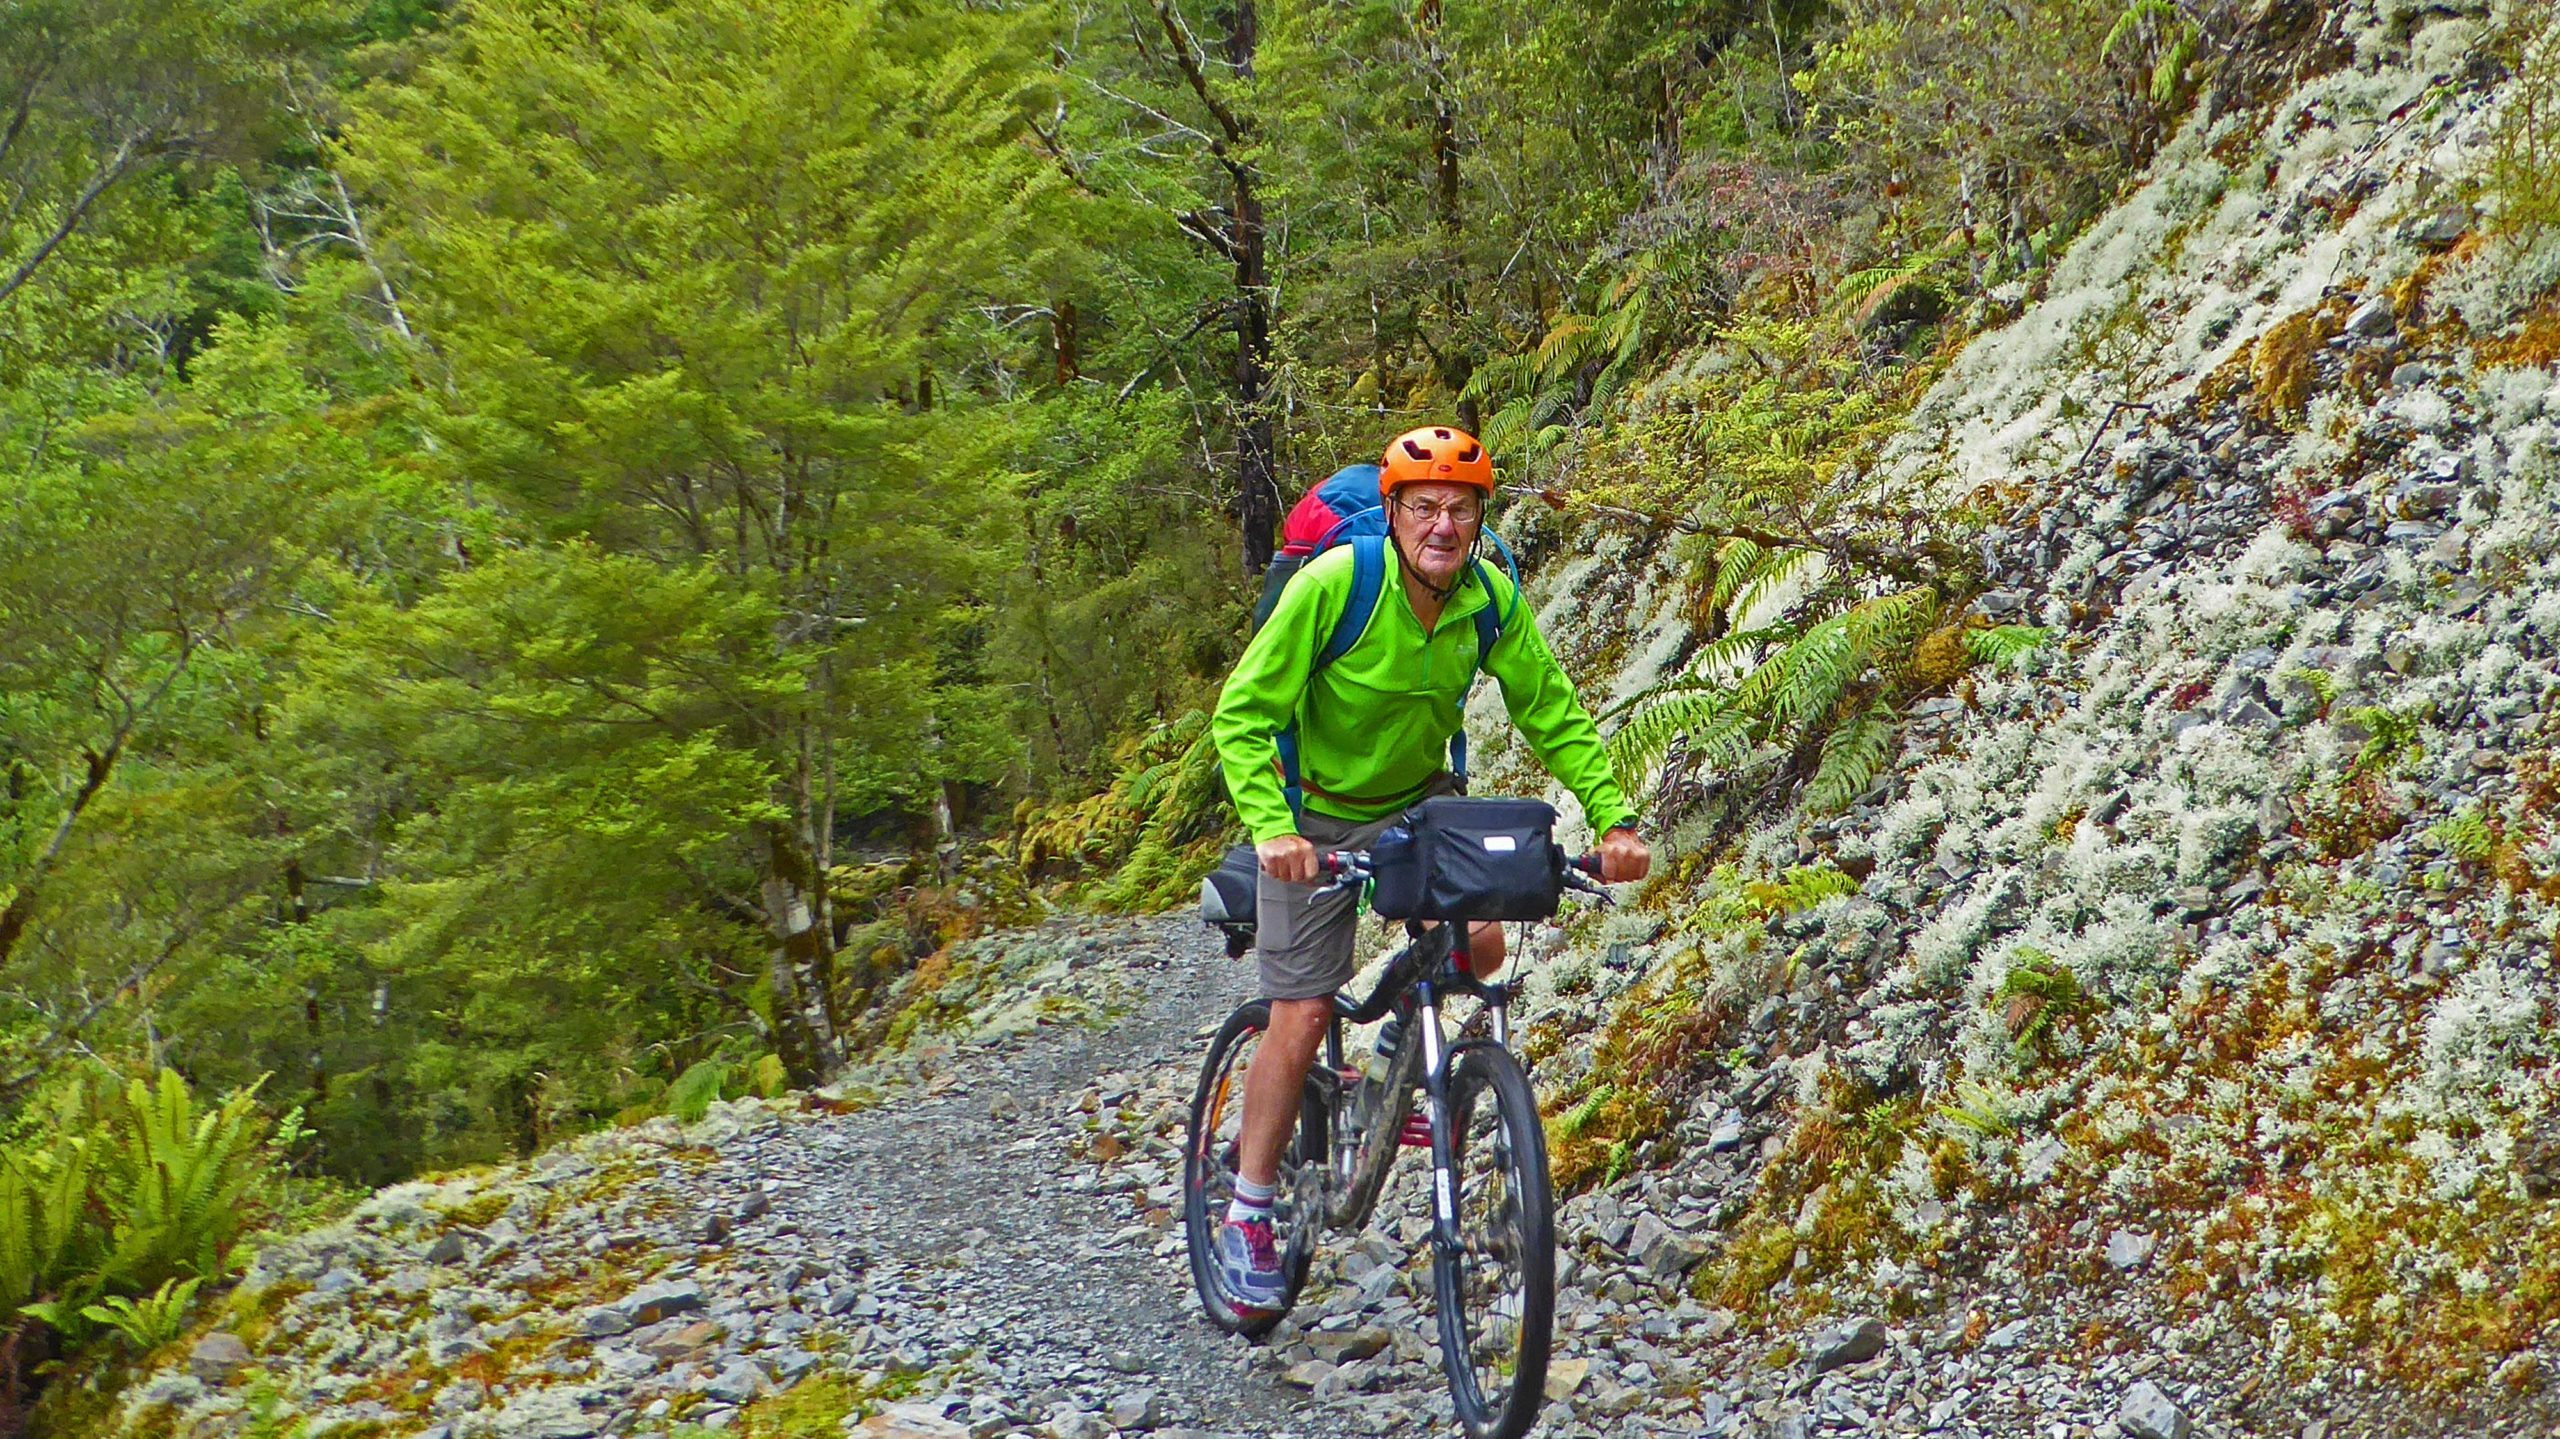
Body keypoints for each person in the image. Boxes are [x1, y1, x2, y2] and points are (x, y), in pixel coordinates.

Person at [1206, 424, 1651, 1314]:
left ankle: (1397, 1060)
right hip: (1314, 809)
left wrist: (1614, 816)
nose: (1442, 525)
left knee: (1481, 934)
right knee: (1299, 1007)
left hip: (1419, 800)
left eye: (1460, 508)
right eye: (1423, 507)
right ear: (1394, 513)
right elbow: (1243, 713)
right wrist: (1272, 829)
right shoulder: (1341, 584)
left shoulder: (1487, 598)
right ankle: (1248, 1211)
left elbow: (1549, 707)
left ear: (1481, 517)